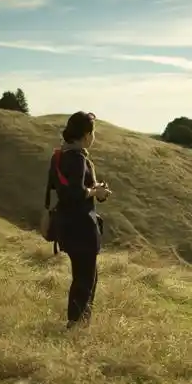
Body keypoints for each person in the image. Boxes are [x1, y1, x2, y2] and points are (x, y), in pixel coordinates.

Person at [46, 111, 112, 329]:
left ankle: (80, 324)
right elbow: (74, 193)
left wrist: (95, 192)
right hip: (81, 227)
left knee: (85, 277)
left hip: (69, 225)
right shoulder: (76, 159)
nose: (94, 137)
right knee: (85, 281)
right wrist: (94, 192)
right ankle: (76, 326)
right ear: (85, 135)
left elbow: (66, 190)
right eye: (93, 133)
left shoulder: (63, 155)